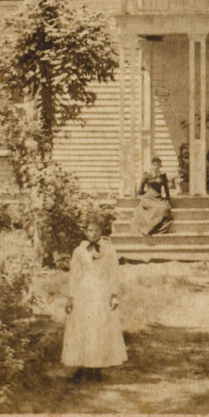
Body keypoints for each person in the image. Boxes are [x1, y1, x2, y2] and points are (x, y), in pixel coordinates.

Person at [61, 213, 127, 382]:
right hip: (84, 293)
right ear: (85, 232)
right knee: (83, 328)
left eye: (96, 230)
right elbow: (74, 275)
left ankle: (97, 368)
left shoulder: (108, 249)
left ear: (101, 231)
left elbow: (113, 273)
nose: (93, 234)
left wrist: (113, 295)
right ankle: (82, 366)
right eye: (90, 230)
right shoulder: (79, 251)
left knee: (99, 328)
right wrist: (71, 297)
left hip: (101, 292)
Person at [131, 157, 172, 235]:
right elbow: (140, 191)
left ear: (160, 166)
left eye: (158, 165)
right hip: (148, 198)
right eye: (154, 165)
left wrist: (168, 200)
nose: (156, 167)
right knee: (148, 210)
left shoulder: (162, 176)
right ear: (151, 166)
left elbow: (167, 190)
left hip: (158, 198)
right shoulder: (146, 176)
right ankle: (147, 228)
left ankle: (154, 227)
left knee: (164, 208)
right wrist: (147, 194)